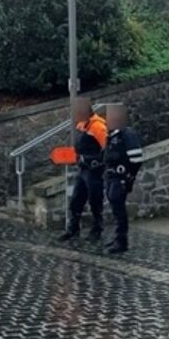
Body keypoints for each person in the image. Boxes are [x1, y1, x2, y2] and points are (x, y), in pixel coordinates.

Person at [57, 97, 108, 242]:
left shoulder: (98, 126)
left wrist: (97, 162)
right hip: (83, 169)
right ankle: (73, 230)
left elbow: (108, 148)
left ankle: (97, 230)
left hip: (94, 170)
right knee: (76, 200)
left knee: (95, 201)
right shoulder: (83, 125)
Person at [101, 103, 144, 255]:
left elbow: (136, 158)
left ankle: (122, 241)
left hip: (120, 178)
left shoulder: (127, 134)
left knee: (119, 210)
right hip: (112, 177)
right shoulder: (113, 135)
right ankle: (117, 238)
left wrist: (129, 176)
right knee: (115, 209)